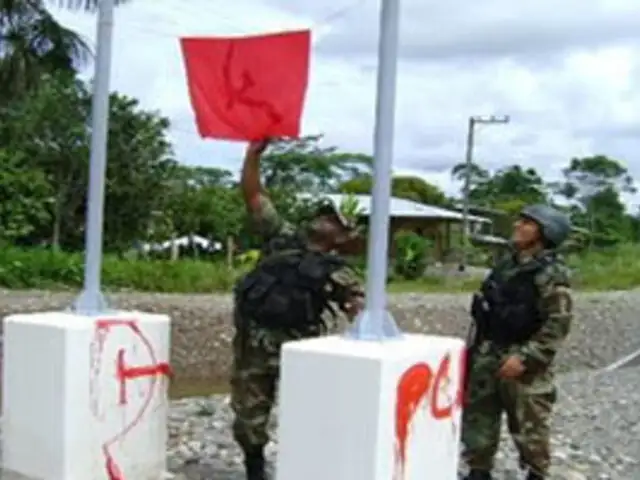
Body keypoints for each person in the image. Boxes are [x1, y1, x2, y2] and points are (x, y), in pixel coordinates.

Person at [230, 138, 365, 480]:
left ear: (342, 235)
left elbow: (358, 308)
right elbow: (254, 196)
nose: (323, 220)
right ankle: (255, 470)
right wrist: (253, 155)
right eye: (322, 215)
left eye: (332, 220)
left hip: (299, 350)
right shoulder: (282, 238)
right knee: (248, 416)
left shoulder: (337, 269)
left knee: (305, 415)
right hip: (254, 346)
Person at [462, 204, 573, 480]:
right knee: (479, 418)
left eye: (527, 223)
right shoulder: (505, 265)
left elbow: (557, 323)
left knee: (529, 425)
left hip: (523, 358)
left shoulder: (551, 273)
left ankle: (536, 474)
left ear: (546, 232)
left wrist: (526, 358)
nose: (517, 226)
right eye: (520, 221)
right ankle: (478, 471)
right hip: (489, 350)